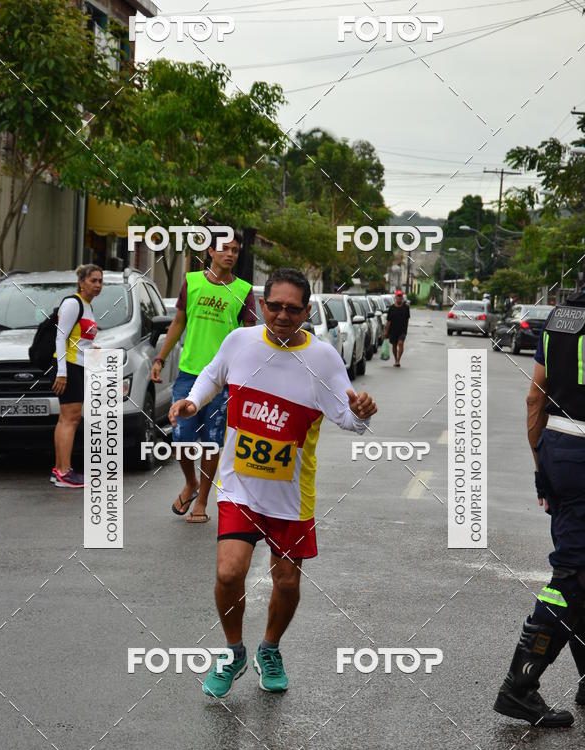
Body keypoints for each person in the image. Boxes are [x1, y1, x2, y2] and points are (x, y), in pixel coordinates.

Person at [168, 267, 377, 697]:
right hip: (238, 486)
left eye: (292, 309)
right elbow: (212, 373)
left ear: (306, 312)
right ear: (262, 306)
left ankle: (270, 648)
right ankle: (232, 652)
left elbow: (349, 418)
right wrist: (193, 401)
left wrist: (363, 410)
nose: (282, 315)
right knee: (229, 572)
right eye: (274, 306)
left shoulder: (322, 359)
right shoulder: (240, 342)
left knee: (286, 583)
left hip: (289, 496)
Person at [494, 288, 585, 727]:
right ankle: (520, 687)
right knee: (572, 575)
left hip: (559, 447)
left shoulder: (561, 317)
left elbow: (535, 398)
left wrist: (540, 462)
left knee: (579, 568)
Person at [151, 230, 255, 522]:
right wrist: (160, 359)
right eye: (225, 249)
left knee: (212, 442)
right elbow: (178, 322)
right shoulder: (192, 282)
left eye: (235, 250)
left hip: (224, 380)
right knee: (182, 439)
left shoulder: (244, 290)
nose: (230, 254)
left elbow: (249, 336)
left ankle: (202, 502)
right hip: (189, 374)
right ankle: (191, 483)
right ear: (210, 251)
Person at [51, 264, 102, 487]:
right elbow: (60, 338)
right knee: (70, 418)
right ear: (81, 282)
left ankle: (59, 469)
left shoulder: (87, 306)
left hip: (78, 365)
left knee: (68, 418)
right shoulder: (73, 303)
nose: (98, 285)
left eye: (101, 281)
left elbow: (79, 341)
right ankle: (64, 472)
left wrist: (93, 350)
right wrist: (62, 372)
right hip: (68, 366)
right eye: (93, 280)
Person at [384, 289, 410, 367]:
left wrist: (406, 329)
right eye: (398, 296)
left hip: (402, 330)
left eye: (400, 296)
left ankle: (398, 360)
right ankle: (396, 359)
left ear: (402, 298)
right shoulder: (391, 308)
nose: (399, 298)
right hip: (393, 330)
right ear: (395, 297)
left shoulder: (406, 308)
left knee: (400, 343)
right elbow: (388, 321)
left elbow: (407, 319)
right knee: (394, 345)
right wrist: (386, 331)